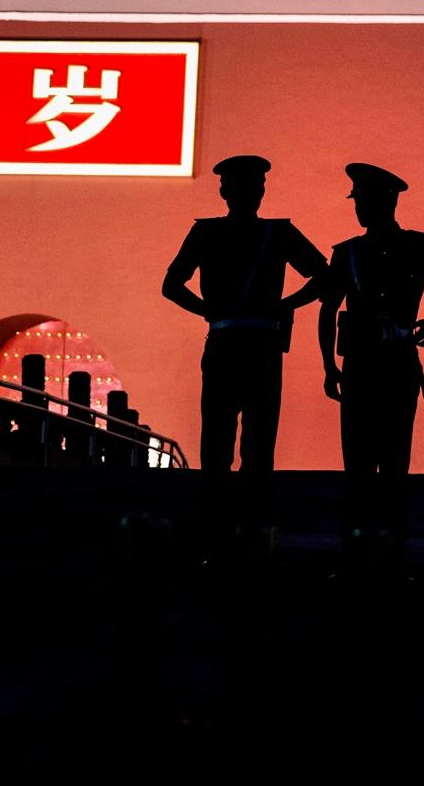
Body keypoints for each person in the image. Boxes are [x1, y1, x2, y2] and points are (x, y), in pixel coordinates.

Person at [162, 154, 328, 555]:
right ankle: (255, 524)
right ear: (260, 191)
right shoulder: (278, 233)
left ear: (224, 191)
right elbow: (323, 275)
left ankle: (214, 525)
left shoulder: (205, 234)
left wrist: (208, 310)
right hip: (264, 346)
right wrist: (286, 305)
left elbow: (171, 285)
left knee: (216, 436)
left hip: (221, 341)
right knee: (259, 438)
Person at [317, 163, 424, 574]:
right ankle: (376, 560)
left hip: (375, 367)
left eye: (362, 200)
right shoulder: (406, 248)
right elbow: (328, 309)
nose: (358, 207)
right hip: (382, 366)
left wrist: (330, 365)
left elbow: (328, 309)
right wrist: (330, 365)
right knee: (372, 471)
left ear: (383, 202)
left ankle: (373, 560)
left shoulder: (352, 253)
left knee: (381, 470)